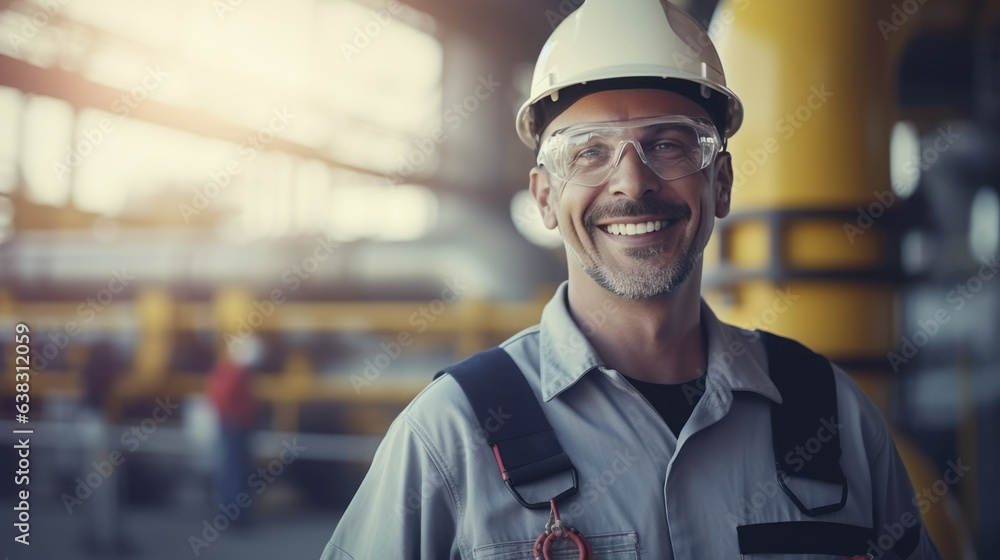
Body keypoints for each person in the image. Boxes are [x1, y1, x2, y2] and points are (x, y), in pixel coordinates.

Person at [321, 1, 944, 558]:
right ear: (544, 198)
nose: (631, 182)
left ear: (721, 184)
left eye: (670, 145)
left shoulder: (834, 417)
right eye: (589, 152)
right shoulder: (448, 438)